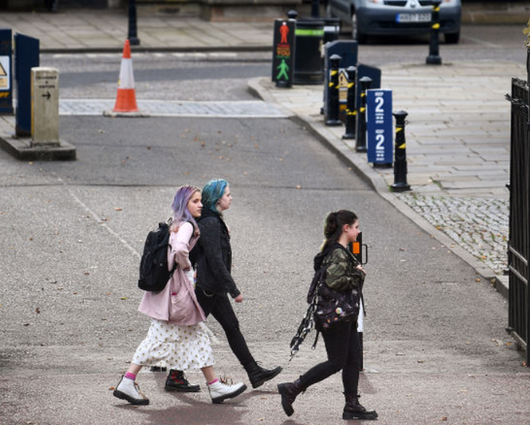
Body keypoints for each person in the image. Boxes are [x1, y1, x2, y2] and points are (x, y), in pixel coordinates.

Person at [113, 185, 246, 406]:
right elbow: (180, 250)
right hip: (177, 294)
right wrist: (186, 269)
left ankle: (214, 386)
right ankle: (128, 380)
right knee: (158, 340)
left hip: (172, 293)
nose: (201, 204)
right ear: (185, 204)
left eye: (200, 201)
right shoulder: (185, 226)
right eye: (195, 201)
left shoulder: (176, 224)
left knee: (196, 336)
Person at [165, 179, 282, 393]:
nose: (231, 197)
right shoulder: (210, 223)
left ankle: (254, 372)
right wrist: (233, 289)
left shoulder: (213, 221)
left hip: (213, 288)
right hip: (207, 288)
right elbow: (215, 259)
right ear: (218, 199)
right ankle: (173, 374)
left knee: (231, 327)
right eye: (228, 194)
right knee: (188, 330)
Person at [277, 210, 378, 420]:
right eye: (356, 227)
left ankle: (352, 405)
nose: (358, 231)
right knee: (337, 361)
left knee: (351, 360)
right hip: (336, 316)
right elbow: (334, 281)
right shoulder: (338, 253)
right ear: (346, 228)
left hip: (343, 315)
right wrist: (358, 274)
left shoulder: (337, 249)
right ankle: (293, 388)